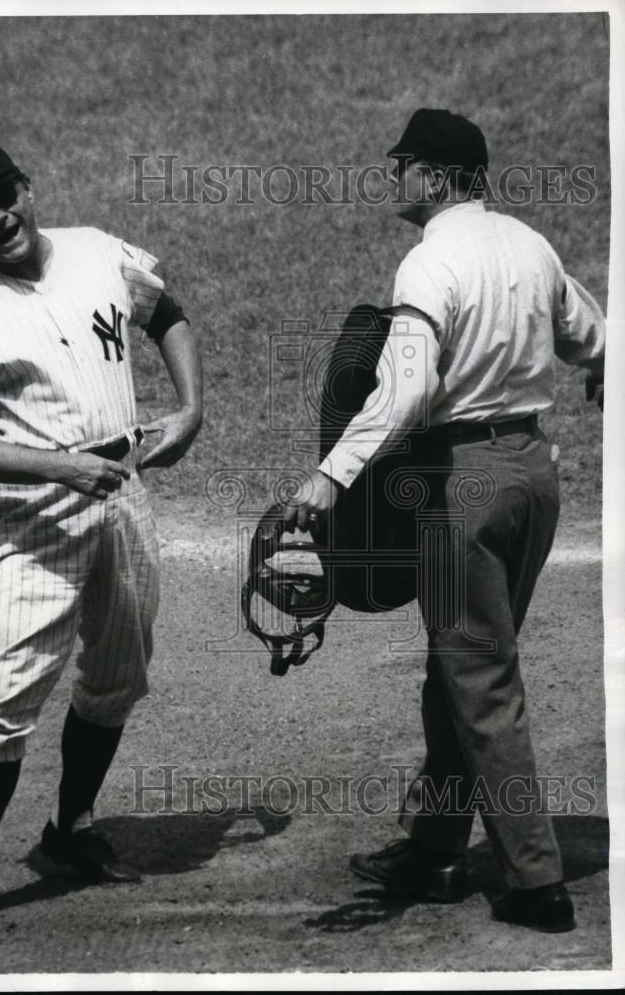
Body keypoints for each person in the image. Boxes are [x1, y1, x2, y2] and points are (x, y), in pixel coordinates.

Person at [284, 109, 605, 932]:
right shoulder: (529, 244)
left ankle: (535, 883)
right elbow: (586, 332)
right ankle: (431, 849)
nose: (394, 179)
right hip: (533, 480)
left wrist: (331, 474)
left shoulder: (429, 263)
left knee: (481, 679)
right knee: (456, 668)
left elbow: (406, 390)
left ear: (433, 175)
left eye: (401, 166)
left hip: (463, 485)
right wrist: (603, 365)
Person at [0, 139, 203, 937]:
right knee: (4, 695)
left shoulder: (97, 252)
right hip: (33, 520)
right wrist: (60, 469)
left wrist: (191, 408)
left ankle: (69, 829)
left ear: (28, 189)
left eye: (5, 198)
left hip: (124, 497)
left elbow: (167, 315)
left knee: (117, 674)